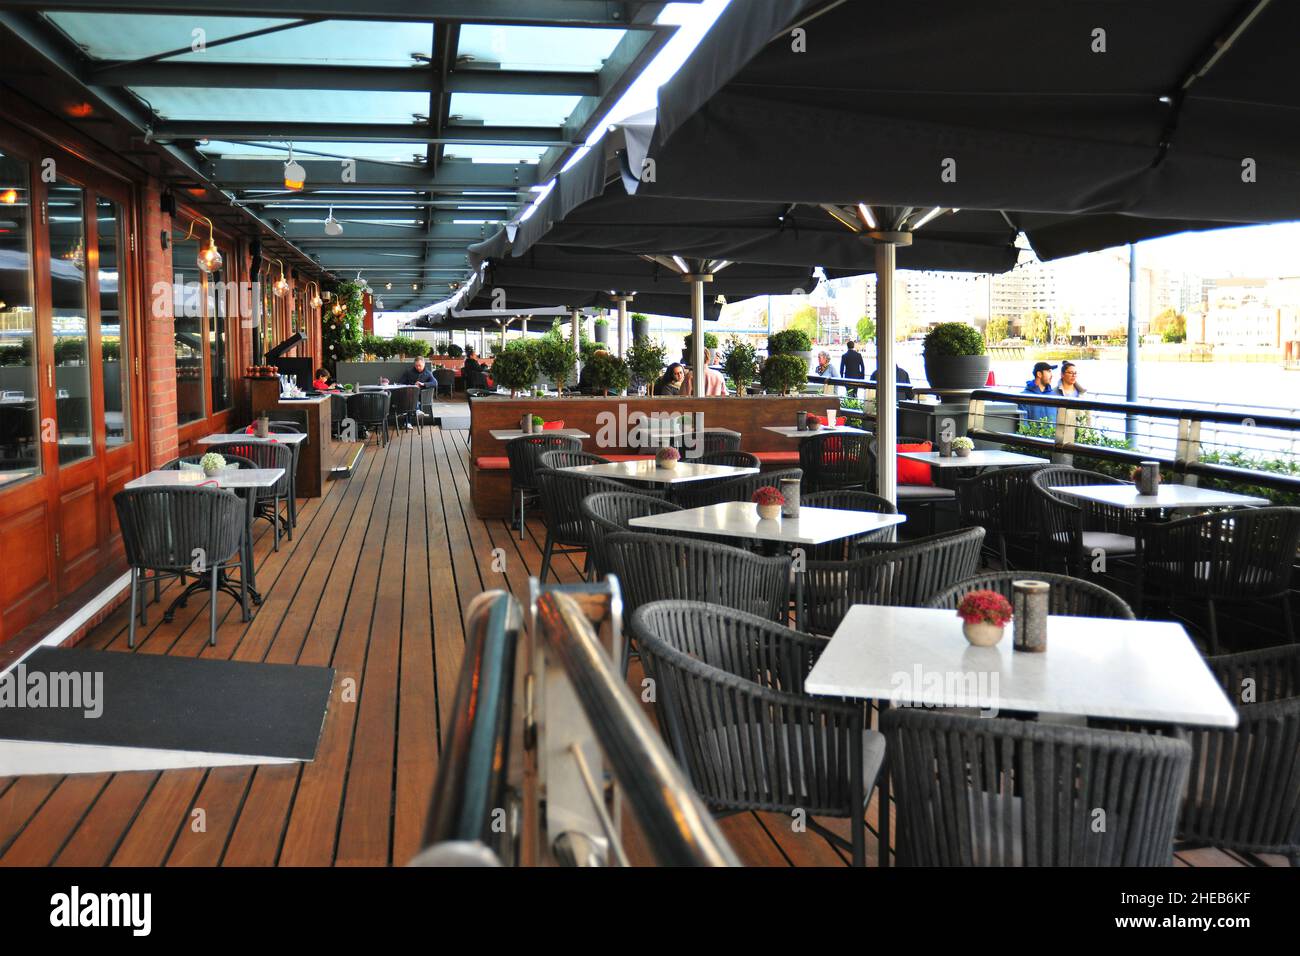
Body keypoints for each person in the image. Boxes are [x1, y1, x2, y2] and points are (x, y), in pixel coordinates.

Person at [1019, 360, 1057, 426]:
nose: (1051, 375)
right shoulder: (1023, 397)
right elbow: (1024, 425)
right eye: (1049, 371)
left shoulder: (1054, 395)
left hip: (1053, 436)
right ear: (1039, 374)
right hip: (1032, 436)